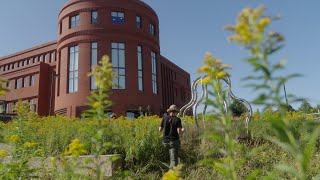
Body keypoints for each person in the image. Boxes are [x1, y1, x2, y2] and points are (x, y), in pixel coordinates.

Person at [159, 104, 184, 169]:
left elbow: (160, 130)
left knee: (172, 157)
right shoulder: (177, 119)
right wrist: (183, 130)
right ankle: (171, 174)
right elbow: (179, 132)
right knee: (173, 161)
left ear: (169, 111)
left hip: (165, 142)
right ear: (176, 112)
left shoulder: (164, 117)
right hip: (173, 142)